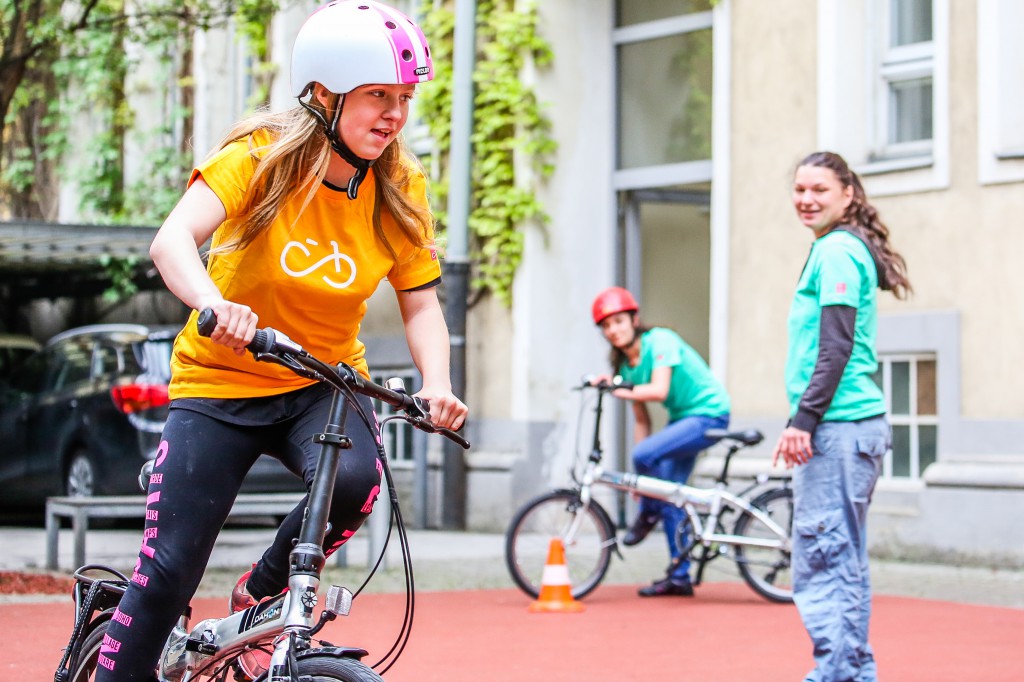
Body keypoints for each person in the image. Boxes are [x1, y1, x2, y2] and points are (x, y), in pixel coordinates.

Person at [95, 3, 468, 680]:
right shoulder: (260, 158)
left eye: (404, 99)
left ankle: (260, 592)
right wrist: (214, 303)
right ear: (324, 93)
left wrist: (437, 384)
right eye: (377, 96)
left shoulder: (400, 187)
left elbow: (421, 306)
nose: (394, 115)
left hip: (322, 384)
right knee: (169, 571)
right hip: (221, 382)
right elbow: (171, 241)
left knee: (359, 481)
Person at [772, 151, 910, 682]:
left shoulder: (836, 253)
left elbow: (835, 347)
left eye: (819, 190)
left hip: (839, 428)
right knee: (834, 554)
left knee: (826, 555)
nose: (806, 199)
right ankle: (849, 670)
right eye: (800, 189)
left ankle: (838, 673)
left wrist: (801, 421)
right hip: (847, 428)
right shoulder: (837, 249)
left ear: (848, 194)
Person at [590, 286, 731, 597]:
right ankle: (679, 577)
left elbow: (660, 390)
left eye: (618, 322)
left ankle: (647, 515)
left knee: (652, 472)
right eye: (606, 326)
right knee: (669, 494)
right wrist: (645, 482)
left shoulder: (661, 340)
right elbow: (642, 420)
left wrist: (616, 388)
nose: (613, 330)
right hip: (683, 420)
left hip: (709, 414)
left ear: (634, 319)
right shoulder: (626, 366)